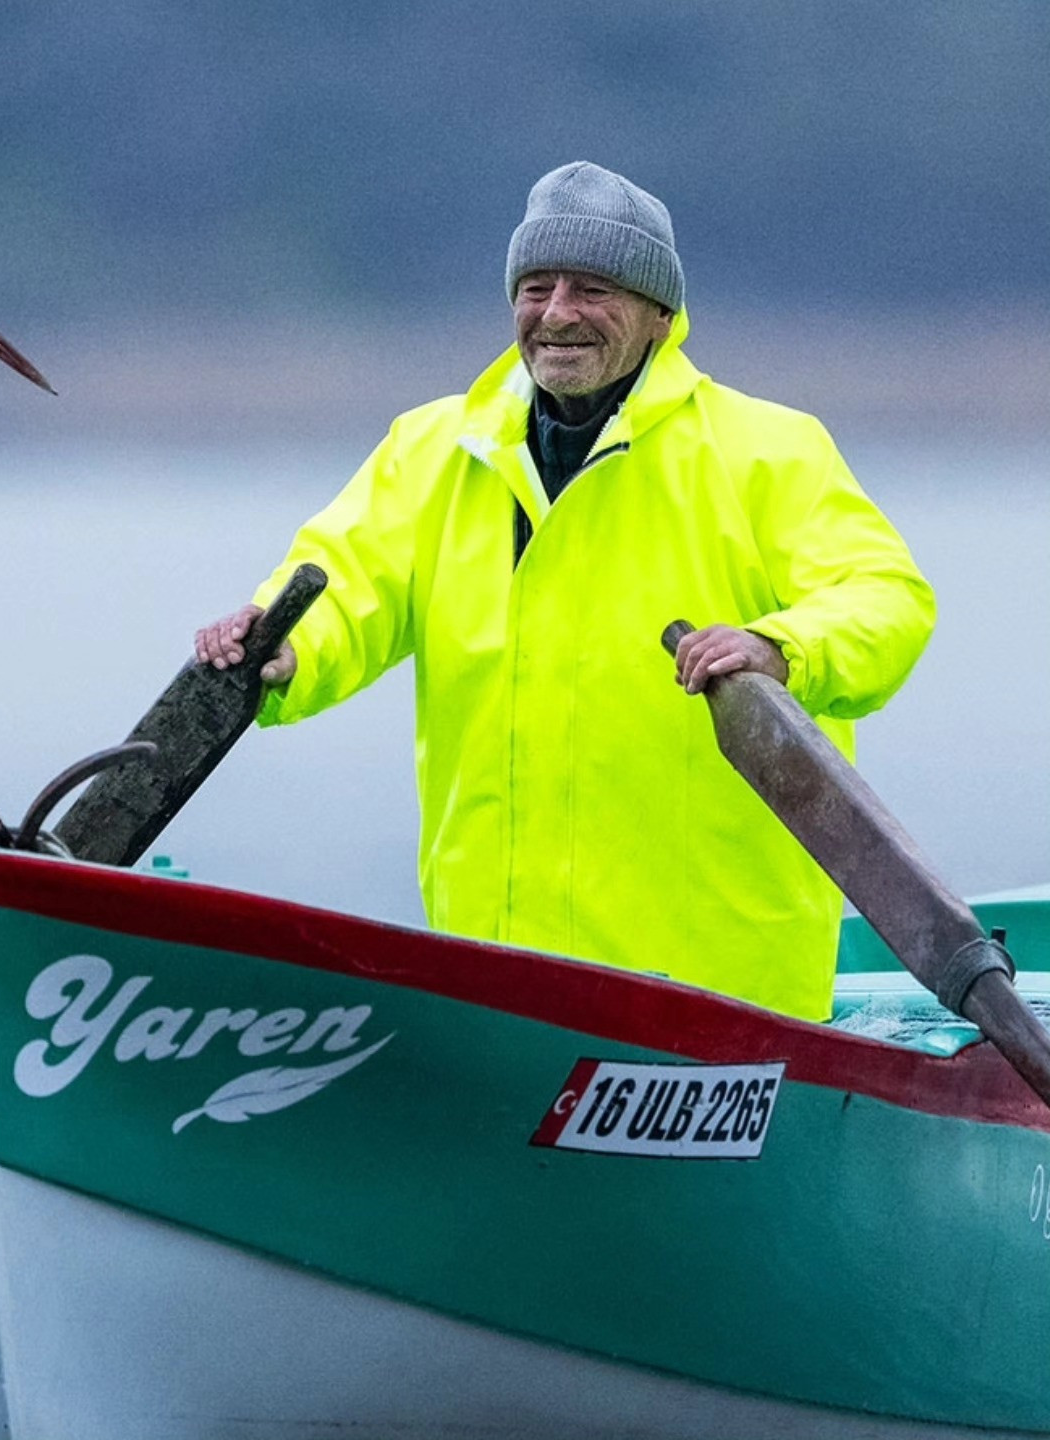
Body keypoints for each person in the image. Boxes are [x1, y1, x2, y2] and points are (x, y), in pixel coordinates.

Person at [196, 161, 934, 1022]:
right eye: (536, 287)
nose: (557, 313)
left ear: (662, 314)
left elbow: (885, 598)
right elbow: (347, 583)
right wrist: (285, 644)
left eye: (593, 289)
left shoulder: (769, 452)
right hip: (496, 986)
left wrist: (782, 649)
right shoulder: (432, 450)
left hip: (724, 999)